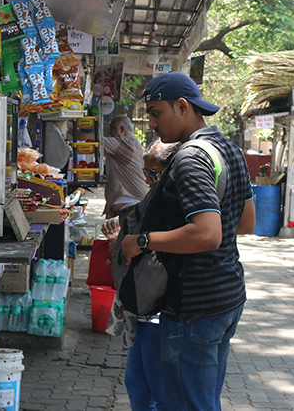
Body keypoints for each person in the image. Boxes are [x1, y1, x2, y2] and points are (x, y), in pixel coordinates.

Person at [121, 71, 255, 411]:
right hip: (226, 295)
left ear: (182, 106)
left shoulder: (190, 158)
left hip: (194, 303)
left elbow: (207, 234)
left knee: (187, 404)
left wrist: (143, 241)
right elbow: (246, 223)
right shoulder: (230, 149)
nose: (152, 123)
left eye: (156, 113)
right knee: (203, 401)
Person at [103, 138, 179, 411]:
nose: (147, 180)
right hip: (143, 307)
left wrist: (134, 245)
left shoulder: (179, 202)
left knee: (159, 389)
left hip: (161, 308)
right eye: (145, 173)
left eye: (153, 173)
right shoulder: (152, 200)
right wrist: (120, 244)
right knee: (137, 384)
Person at [102, 115, 150, 218]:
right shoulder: (131, 142)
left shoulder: (125, 143)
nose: (109, 132)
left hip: (134, 209)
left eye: (112, 128)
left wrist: (68, 127)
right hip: (133, 208)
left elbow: (92, 140)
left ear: (122, 129)